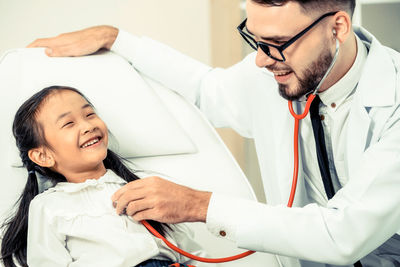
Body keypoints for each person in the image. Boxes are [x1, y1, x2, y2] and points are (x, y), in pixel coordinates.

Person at [27, 0, 400, 266]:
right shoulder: (274, 69)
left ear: (337, 27)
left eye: (278, 44)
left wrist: (199, 205)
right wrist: (118, 39)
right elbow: (208, 89)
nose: (260, 59)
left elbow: (344, 234)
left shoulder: (394, 104)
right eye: (254, 39)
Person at [0, 86, 204, 267]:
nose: (88, 126)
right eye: (69, 123)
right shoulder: (47, 206)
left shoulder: (142, 186)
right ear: (43, 156)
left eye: (89, 114)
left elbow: (193, 252)